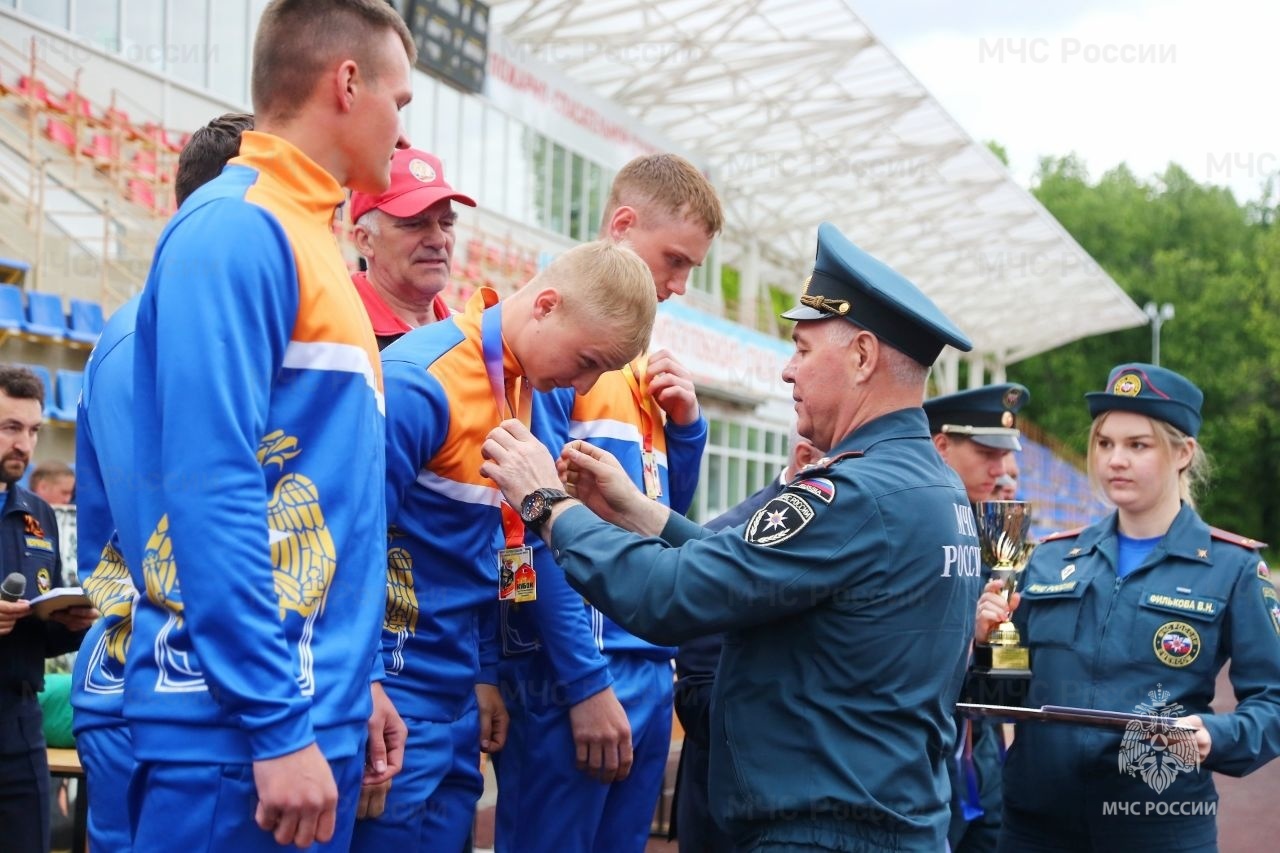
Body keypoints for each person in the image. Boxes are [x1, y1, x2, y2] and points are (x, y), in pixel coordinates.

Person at [480, 221, 981, 852]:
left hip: (825, 831)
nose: (787, 372)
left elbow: (672, 596)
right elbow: (759, 566)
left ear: (861, 356)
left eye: (801, 349)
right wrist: (642, 513)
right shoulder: (930, 486)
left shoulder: (855, 494)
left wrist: (547, 505)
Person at [124, 2, 415, 849]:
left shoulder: (311, 237)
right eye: (401, 103)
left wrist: (352, 683)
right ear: (347, 82)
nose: (402, 131)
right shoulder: (236, 228)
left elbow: (329, 499)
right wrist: (277, 721)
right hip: (236, 735)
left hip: (293, 714)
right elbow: (214, 489)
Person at [350, 239, 657, 851]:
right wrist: (361, 690)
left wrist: (485, 671)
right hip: (394, 697)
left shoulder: (529, 391)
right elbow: (347, 541)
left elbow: (516, 544)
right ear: (545, 305)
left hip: (457, 696)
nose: (588, 382)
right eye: (588, 360)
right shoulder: (421, 383)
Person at [495, 152, 723, 853]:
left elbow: (649, 527)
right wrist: (581, 681)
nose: (680, 286)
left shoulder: (636, 367)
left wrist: (686, 435)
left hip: (645, 663)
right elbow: (522, 531)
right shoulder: (561, 353)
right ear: (622, 226)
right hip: (576, 672)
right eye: (675, 260)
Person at [973, 363, 1280, 851]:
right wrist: (990, 645)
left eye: (1138, 445)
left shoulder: (1232, 567)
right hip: (1035, 828)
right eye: (1105, 443)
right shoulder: (1051, 557)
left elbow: (1273, 700)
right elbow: (1006, 697)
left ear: (1183, 453)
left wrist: (1216, 736)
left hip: (1159, 826)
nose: (1116, 460)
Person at [70, 111, 253, 853]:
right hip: (156, 686)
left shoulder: (158, 322)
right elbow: (181, 523)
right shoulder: (155, 329)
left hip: (161, 682)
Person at [671, 431, 824, 853]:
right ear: (806, 457)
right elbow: (700, 695)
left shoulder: (834, 533)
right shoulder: (726, 536)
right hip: (734, 815)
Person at [923, 383, 1030, 853]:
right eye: (987, 452)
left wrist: (991, 644)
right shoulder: (914, 529)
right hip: (921, 773)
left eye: (1006, 457)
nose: (1001, 469)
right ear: (941, 446)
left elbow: (1008, 689)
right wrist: (968, 642)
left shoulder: (1001, 537)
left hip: (982, 776)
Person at [0, 364, 96, 853]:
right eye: (10, 428)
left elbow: (42, 626)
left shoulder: (39, 517)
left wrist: (71, 624)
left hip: (19, 718)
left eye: (33, 430)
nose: (25, 444)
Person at [349, 146, 476, 349]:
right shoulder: (336, 327)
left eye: (446, 223)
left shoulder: (470, 337)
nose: (439, 240)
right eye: (414, 224)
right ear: (365, 240)